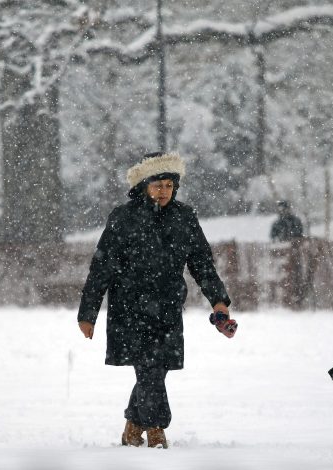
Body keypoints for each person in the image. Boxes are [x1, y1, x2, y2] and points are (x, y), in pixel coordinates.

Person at [77, 152, 234, 449]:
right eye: (157, 185)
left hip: (168, 307)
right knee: (149, 369)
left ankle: (132, 424)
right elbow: (102, 266)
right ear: (143, 185)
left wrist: (218, 301)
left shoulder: (184, 217)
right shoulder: (123, 218)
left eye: (168, 186)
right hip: (129, 307)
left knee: (156, 369)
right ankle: (156, 428)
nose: (163, 191)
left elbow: (201, 262)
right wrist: (88, 313)